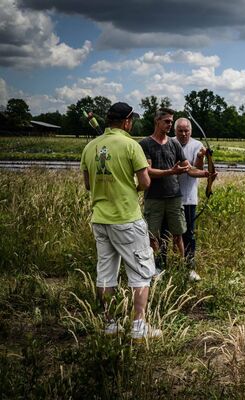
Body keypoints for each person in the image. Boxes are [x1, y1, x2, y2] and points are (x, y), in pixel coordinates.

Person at [80, 101, 161, 340]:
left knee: (105, 273)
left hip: (100, 219)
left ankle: (109, 323)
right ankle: (138, 326)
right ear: (126, 121)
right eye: (131, 120)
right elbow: (145, 183)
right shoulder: (131, 145)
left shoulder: (90, 147)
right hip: (126, 218)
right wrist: (137, 178)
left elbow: (87, 185)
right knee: (140, 271)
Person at [139, 108, 190, 274]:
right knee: (153, 235)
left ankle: (180, 269)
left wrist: (205, 172)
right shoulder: (145, 144)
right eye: (167, 121)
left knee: (178, 234)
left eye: (171, 121)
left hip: (174, 196)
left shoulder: (174, 143)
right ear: (157, 122)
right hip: (153, 197)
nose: (170, 124)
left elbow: (185, 165)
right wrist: (171, 171)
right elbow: (147, 171)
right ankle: (155, 268)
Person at [173, 117, 217, 280]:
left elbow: (197, 168)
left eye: (187, 131)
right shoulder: (170, 142)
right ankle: (170, 265)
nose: (184, 134)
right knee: (170, 233)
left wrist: (200, 157)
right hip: (170, 197)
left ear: (191, 131)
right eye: (180, 130)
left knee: (188, 234)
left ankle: (189, 267)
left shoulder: (197, 145)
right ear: (175, 131)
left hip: (189, 198)